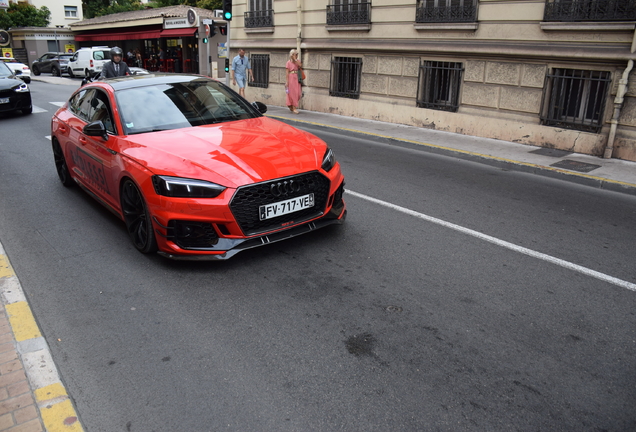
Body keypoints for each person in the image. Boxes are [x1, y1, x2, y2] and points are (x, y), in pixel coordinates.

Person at [285, 49, 303, 114]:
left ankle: (291, 105)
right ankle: (294, 107)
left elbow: (300, 65)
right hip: (291, 77)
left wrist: (295, 60)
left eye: (297, 54)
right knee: (292, 93)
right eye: (296, 54)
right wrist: (287, 81)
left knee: (298, 94)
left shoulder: (297, 61)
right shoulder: (288, 62)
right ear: (292, 55)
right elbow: (287, 73)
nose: (297, 55)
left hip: (297, 77)